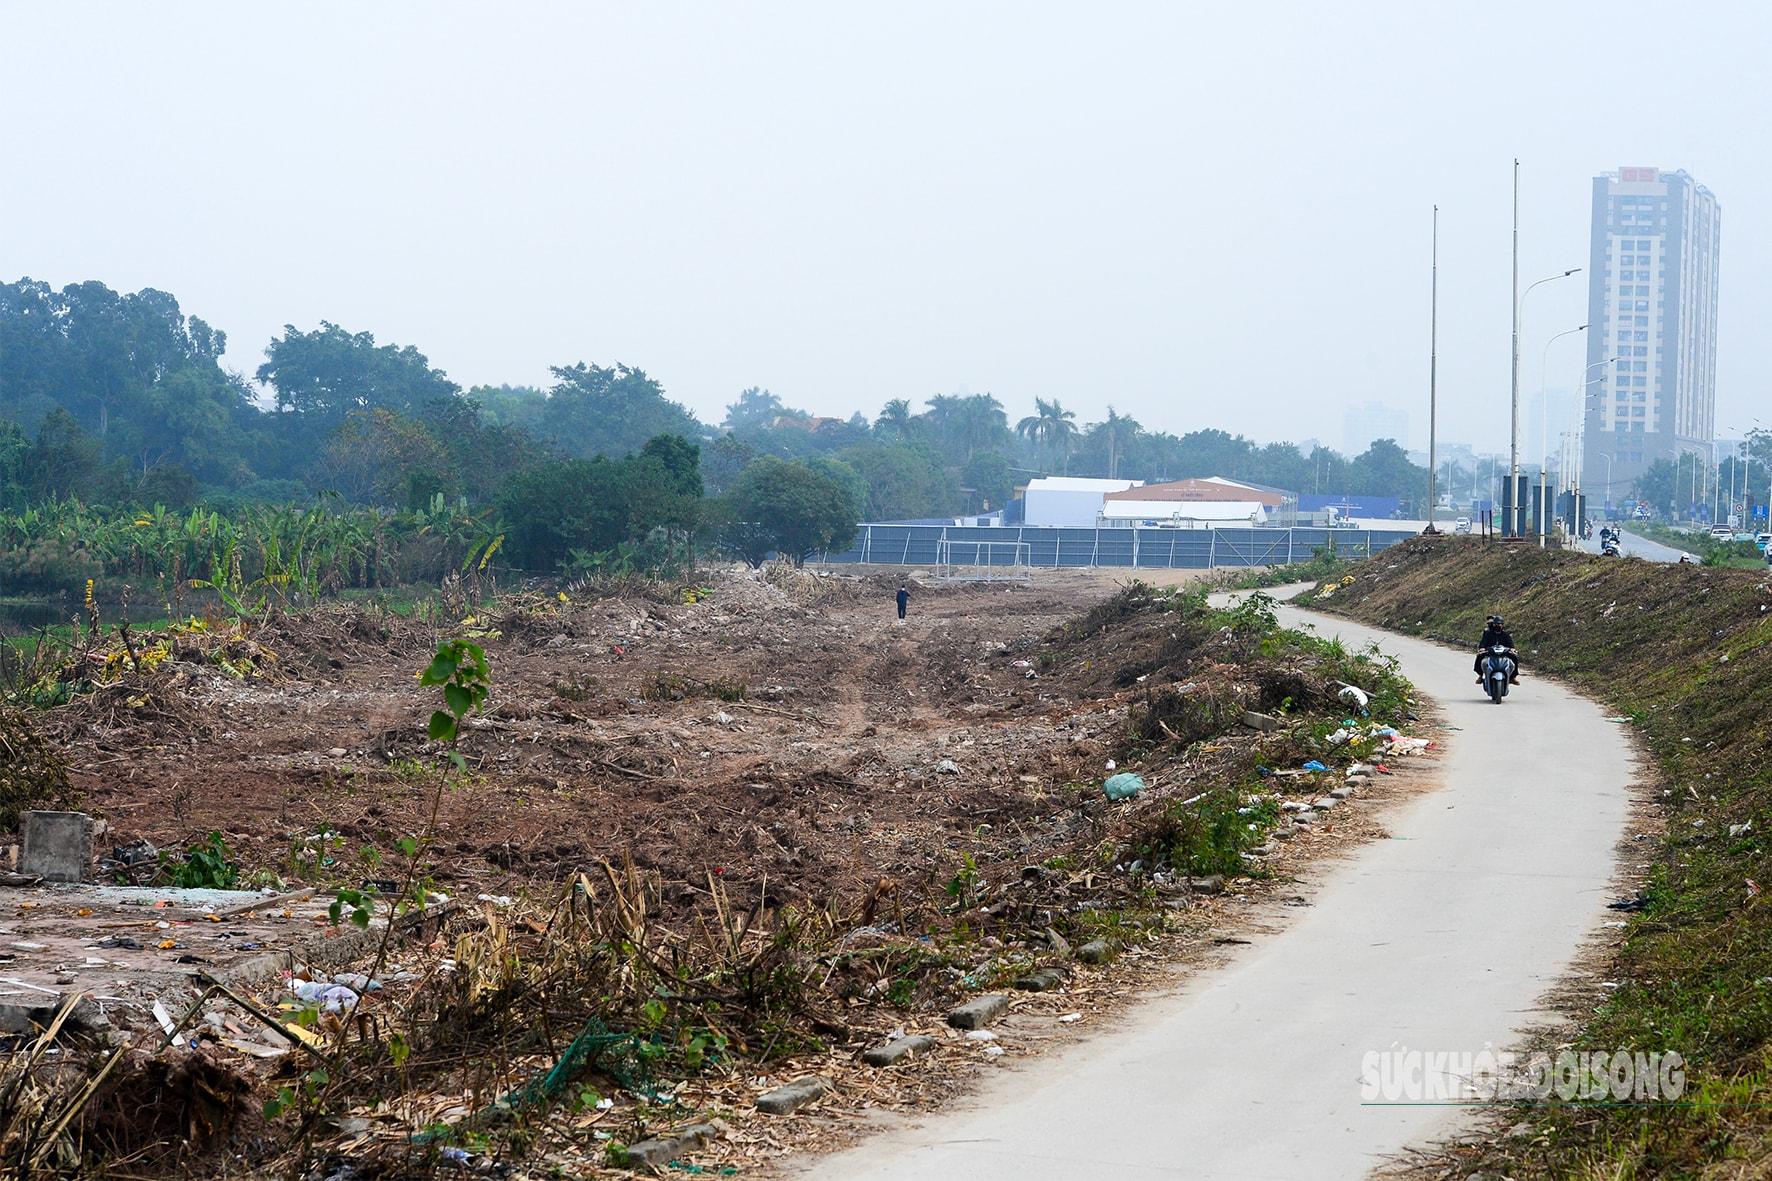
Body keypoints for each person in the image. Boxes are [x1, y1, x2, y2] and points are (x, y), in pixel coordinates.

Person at [1473, 614, 1519, 685]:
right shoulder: (1488, 634)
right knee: (1479, 657)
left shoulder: (1505, 635)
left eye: (1499, 624)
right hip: (1490, 653)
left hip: (1503, 653)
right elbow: (1483, 642)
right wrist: (1482, 648)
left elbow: (1510, 644)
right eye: (1495, 624)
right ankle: (1480, 676)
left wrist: (1512, 649)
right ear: (1493, 625)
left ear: (1502, 625)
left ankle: (1513, 677)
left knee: (1514, 658)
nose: (1498, 626)